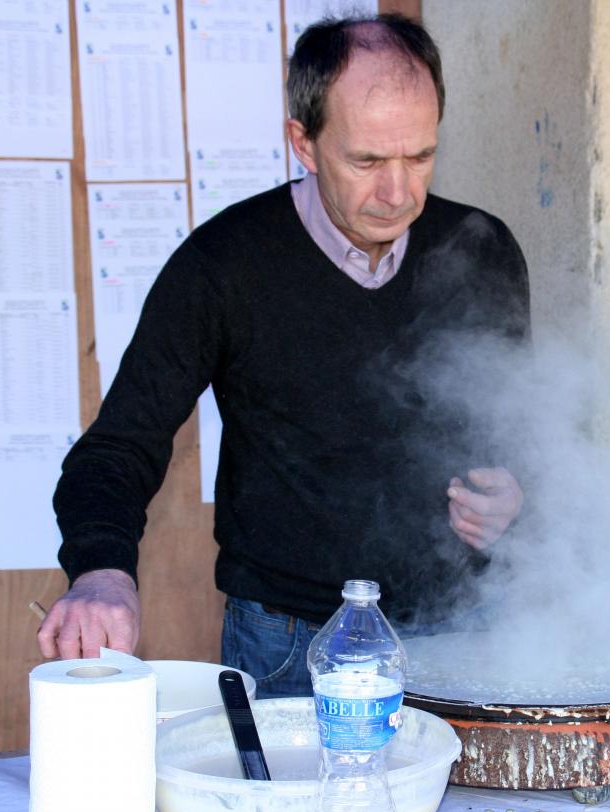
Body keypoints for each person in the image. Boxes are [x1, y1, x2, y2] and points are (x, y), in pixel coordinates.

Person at [39, 13, 531, 697]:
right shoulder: (224, 265)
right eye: (367, 161)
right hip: (289, 641)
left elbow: (530, 429)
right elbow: (118, 447)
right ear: (303, 142)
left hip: (466, 624)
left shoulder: (482, 249)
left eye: (420, 157)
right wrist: (101, 571)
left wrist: (517, 496)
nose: (398, 193)